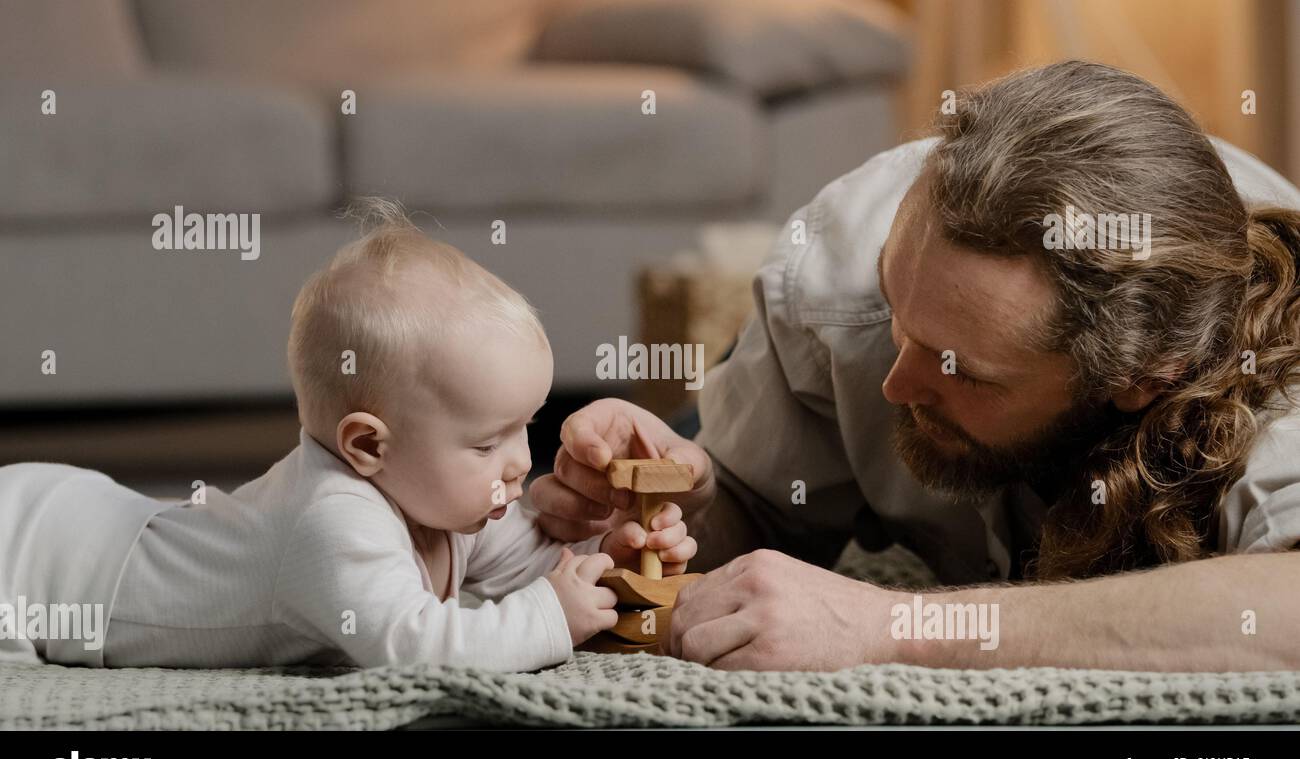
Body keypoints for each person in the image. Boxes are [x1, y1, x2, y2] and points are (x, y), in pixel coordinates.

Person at [530, 61, 1300, 672]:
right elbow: (758, 505)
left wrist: (895, 626)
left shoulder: (1268, 357)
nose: (896, 385)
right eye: (902, 322)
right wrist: (685, 506)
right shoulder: (839, 277)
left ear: (1142, 377)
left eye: (963, 369)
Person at [0, 201, 695, 670]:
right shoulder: (331, 522)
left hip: (102, 514)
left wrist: (606, 555)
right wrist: (548, 617)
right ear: (367, 446)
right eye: (487, 443)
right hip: (31, 551)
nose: (519, 464)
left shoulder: (440, 493)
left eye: (526, 427)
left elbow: (525, 561)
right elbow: (416, 646)